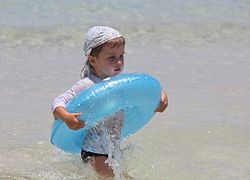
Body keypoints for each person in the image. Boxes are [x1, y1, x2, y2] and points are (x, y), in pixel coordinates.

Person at [51, 26, 168, 179]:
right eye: (111, 58)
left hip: (113, 147)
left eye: (121, 56)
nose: (119, 62)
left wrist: (161, 97)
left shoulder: (122, 84)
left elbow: (147, 91)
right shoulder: (87, 85)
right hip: (93, 150)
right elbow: (58, 101)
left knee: (125, 177)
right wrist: (66, 117)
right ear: (93, 61)